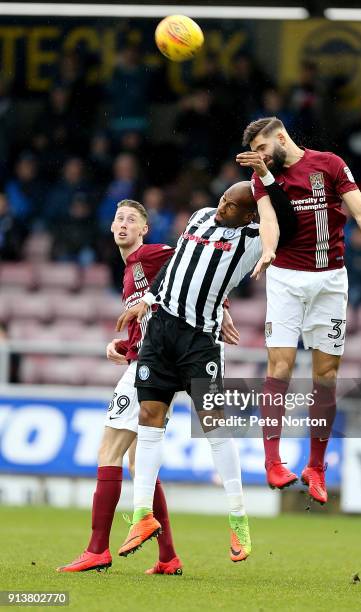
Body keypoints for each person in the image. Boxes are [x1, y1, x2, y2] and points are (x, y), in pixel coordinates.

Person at [237, 116, 361, 504]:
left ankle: (316, 467)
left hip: (330, 281)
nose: (259, 158)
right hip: (286, 279)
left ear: (281, 138)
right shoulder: (262, 178)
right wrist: (268, 250)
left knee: (326, 374)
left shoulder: (330, 165)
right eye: (254, 153)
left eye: (262, 150)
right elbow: (269, 219)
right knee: (280, 367)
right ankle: (273, 461)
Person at [115, 180, 296, 563]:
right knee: (150, 417)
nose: (220, 208)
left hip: (200, 342)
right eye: (221, 200)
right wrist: (146, 300)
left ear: (249, 214)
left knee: (214, 424)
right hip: (161, 331)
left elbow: (282, 211)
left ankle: (238, 517)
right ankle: (143, 515)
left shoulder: (254, 237)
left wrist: (264, 177)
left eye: (230, 206)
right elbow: (174, 267)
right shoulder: (199, 218)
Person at [57, 199, 181, 575]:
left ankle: (97, 550)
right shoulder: (129, 270)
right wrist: (124, 346)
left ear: (144, 229)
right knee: (137, 462)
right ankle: (167, 557)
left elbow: (189, 264)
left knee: (108, 450)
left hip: (154, 367)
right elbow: (153, 316)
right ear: (111, 228)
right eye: (118, 218)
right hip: (154, 362)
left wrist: (218, 305)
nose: (123, 224)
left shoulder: (152, 253)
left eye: (132, 219)